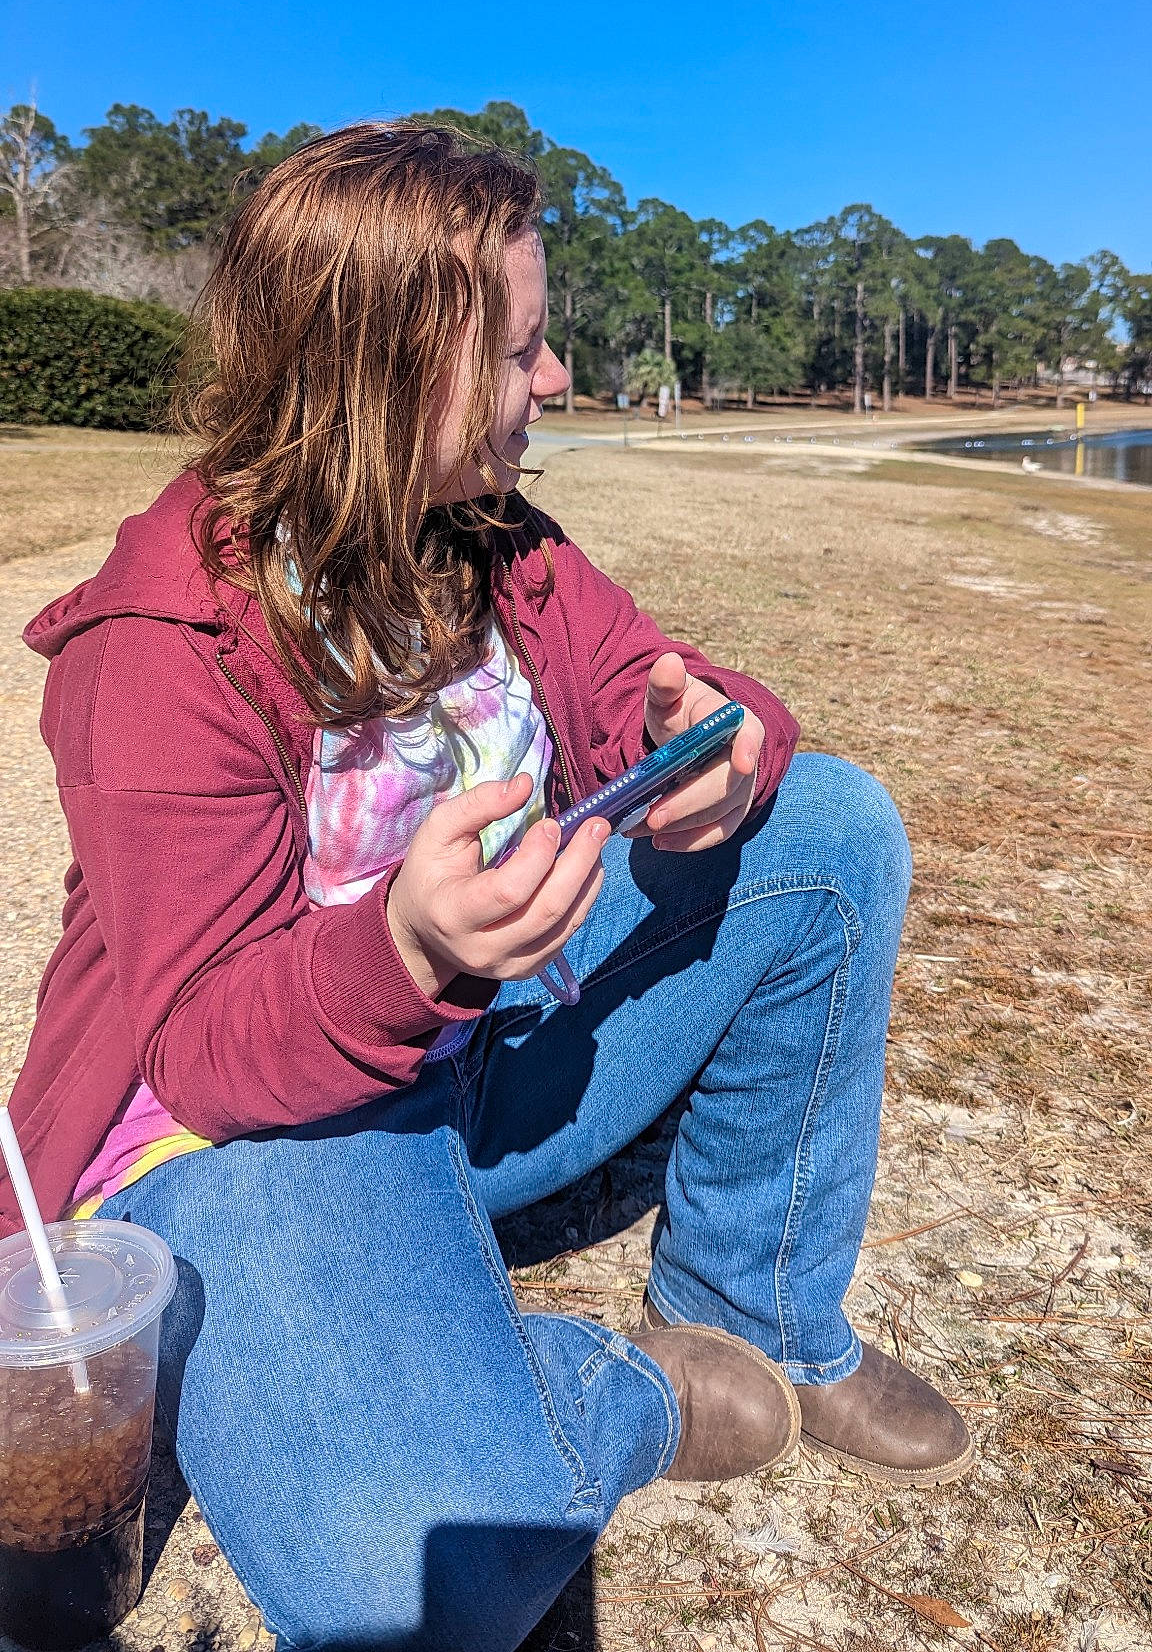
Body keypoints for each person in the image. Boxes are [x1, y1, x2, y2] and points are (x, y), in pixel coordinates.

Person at [2, 125, 971, 1652]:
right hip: (254, 1139)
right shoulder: (156, 651)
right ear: (379, 377)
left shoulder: (494, 538)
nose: (557, 381)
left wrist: (698, 723)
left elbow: (634, 676)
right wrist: (400, 949)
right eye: (521, 352)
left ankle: (758, 1308)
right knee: (427, 1585)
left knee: (832, 828)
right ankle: (618, 1394)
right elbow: (197, 1044)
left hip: (491, 1054)